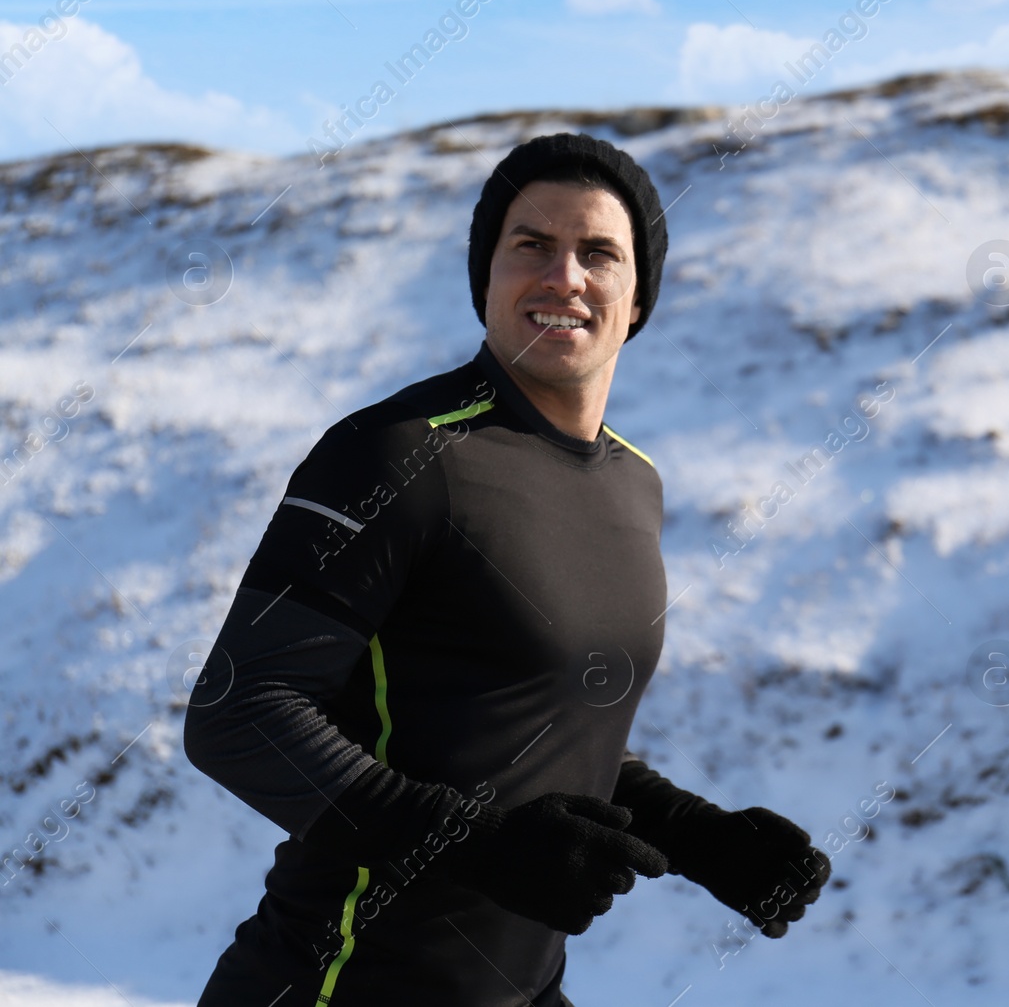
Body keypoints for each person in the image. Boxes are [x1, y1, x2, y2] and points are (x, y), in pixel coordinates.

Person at [185, 132, 830, 1006]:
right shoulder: (392, 456)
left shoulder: (635, 484)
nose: (564, 275)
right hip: (336, 983)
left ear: (638, 297)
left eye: (599, 252)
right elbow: (240, 710)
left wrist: (697, 835)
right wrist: (470, 844)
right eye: (530, 244)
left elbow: (538, 726)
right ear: (485, 278)